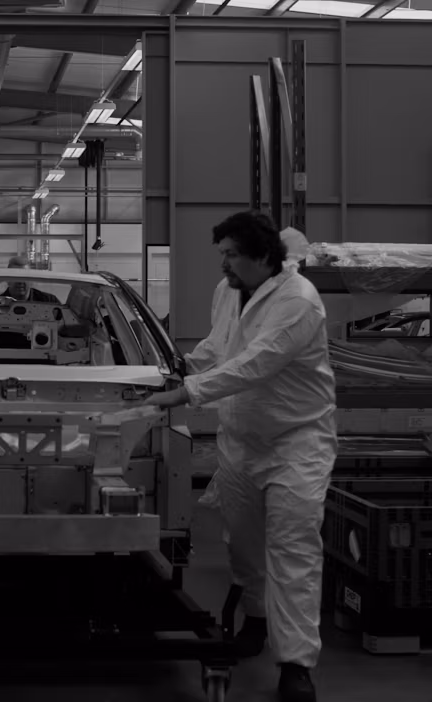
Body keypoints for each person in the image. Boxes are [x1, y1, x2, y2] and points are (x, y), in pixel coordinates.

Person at [142, 210, 336, 702]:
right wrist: (179, 368)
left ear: (262, 255)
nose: (223, 263)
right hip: (239, 439)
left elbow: (257, 362)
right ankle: (257, 617)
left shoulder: (299, 301)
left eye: (231, 254)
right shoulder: (228, 291)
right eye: (222, 254)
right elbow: (221, 346)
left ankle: (296, 664)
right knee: (244, 544)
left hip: (296, 444)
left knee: (293, 548)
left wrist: (187, 391)